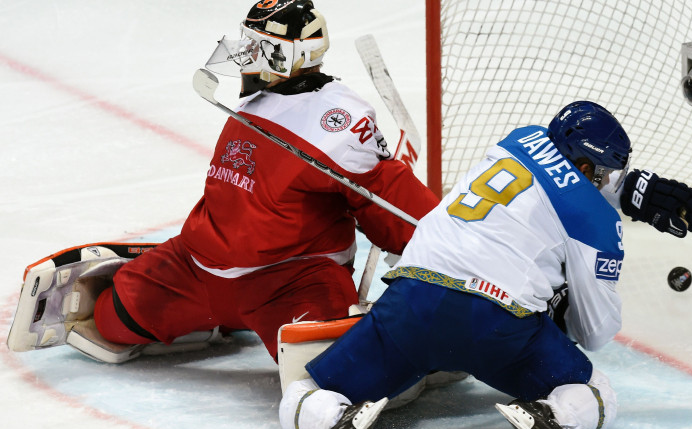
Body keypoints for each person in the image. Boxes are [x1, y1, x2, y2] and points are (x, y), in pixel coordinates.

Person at [6, 0, 438, 365]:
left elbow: (388, 202)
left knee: (336, 367)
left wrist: (442, 253)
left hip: (290, 280)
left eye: (257, 46)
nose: (243, 54)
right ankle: (216, 317)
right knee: (109, 320)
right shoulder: (256, 102)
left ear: (287, 57)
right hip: (197, 267)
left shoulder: (339, 123)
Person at [277, 101, 692, 429]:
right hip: (496, 330)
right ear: (590, 169)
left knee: (305, 389)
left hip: (411, 302)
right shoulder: (595, 222)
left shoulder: (519, 140)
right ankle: (555, 417)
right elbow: (594, 331)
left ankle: (327, 420)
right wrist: (560, 307)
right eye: (608, 174)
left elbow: (560, 178)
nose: (611, 183)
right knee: (595, 391)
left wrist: (626, 191)